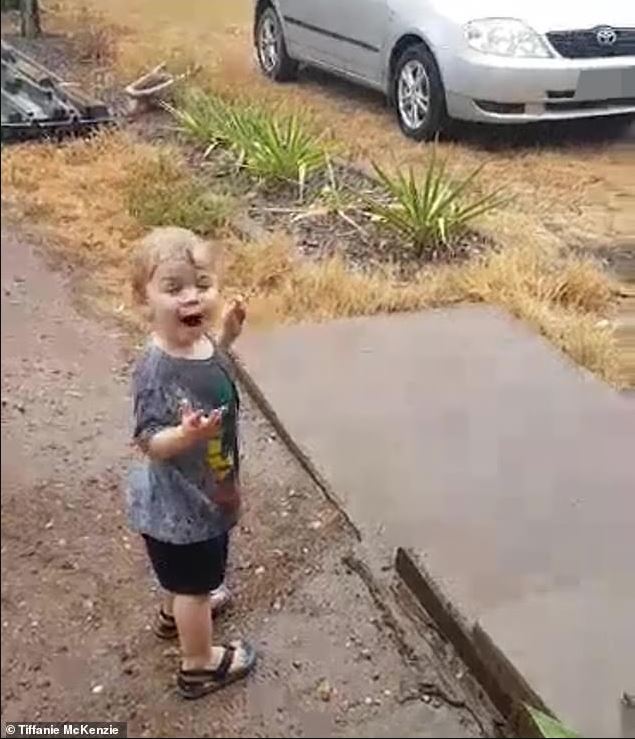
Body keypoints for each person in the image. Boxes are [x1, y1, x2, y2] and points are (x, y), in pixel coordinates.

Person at [127, 226, 255, 699]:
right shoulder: (156, 368)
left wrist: (228, 334)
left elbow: (209, 362)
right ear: (144, 301)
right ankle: (199, 663)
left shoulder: (199, 346)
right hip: (183, 507)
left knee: (189, 581)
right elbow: (148, 440)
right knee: (196, 584)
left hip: (207, 489)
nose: (191, 297)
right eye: (173, 287)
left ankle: (174, 613)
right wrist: (185, 435)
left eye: (202, 285)